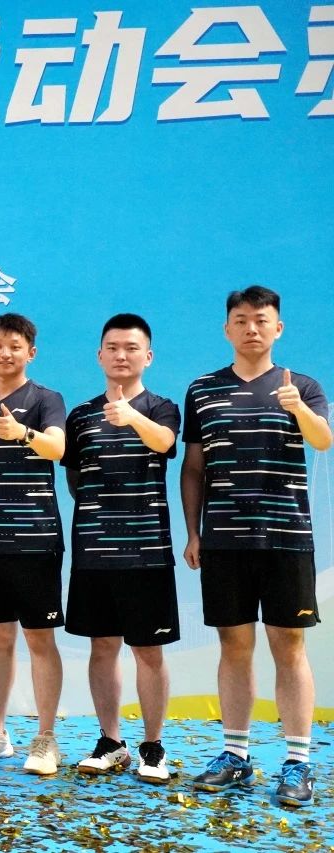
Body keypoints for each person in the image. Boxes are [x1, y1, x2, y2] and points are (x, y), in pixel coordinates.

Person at [182, 286, 330, 807]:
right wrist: (195, 532)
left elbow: (323, 440)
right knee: (234, 646)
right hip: (224, 541)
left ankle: (298, 762)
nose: (251, 328)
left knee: (289, 646)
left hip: (286, 537)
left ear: (277, 328)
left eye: (261, 320)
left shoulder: (301, 386)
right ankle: (235, 755)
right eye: (241, 320)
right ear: (227, 329)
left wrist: (299, 409)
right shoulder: (202, 390)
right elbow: (194, 467)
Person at [62, 314, 180, 783]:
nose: (121, 355)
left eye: (131, 348)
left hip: (147, 551)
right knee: (102, 647)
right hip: (94, 550)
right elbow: (75, 477)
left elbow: (164, 443)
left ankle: (153, 747)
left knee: (148, 651)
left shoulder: (162, 407)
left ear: (147, 356)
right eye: (112, 347)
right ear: (99, 356)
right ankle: (112, 742)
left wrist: (132, 416)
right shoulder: (80, 416)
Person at [0, 313, 68, 775]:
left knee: (39, 639)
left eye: (15, 345)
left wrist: (23, 433)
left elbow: (57, 448)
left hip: (36, 541)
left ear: (31, 352)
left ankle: (46, 738)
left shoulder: (46, 399)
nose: (5, 353)